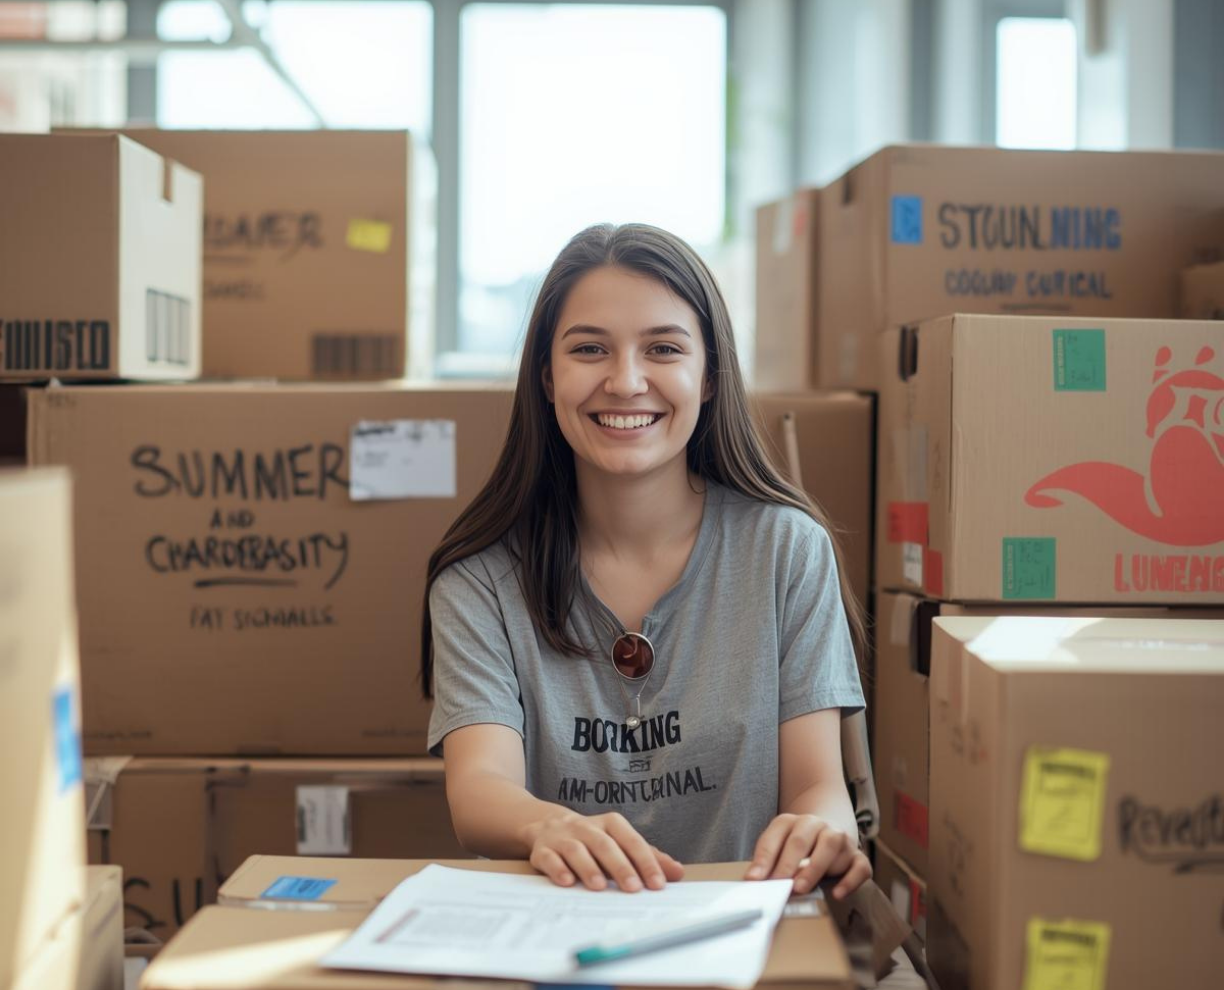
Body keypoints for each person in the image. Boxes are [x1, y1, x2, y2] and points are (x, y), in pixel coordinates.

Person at [421, 223, 870, 900]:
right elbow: (480, 790)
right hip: (556, 938)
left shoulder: (787, 550)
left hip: (743, 934)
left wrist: (821, 834)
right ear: (547, 376)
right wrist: (548, 827)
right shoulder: (479, 581)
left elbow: (817, 787)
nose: (626, 381)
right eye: (589, 349)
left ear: (709, 375)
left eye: (662, 348)